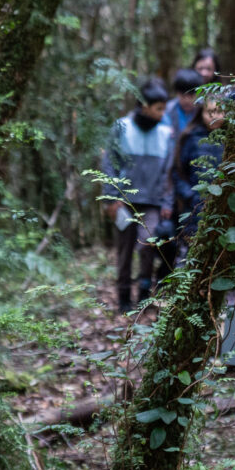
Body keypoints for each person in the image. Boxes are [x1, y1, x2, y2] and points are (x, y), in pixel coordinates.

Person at [102, 79, 176, 311]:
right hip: (123, 202)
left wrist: (167, 201)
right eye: (159, 108)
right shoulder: (121, 126)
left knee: (148, 244)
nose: (163, 113)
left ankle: (145, 291)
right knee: (124, 251)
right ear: (145, 106)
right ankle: (124, 297)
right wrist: (111, 197)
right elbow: (109, 164)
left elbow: (169, 172)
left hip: (152, 203)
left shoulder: (166, 133)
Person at [171, 87, 230, 243]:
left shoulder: (232, 140)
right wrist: (191, 197)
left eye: (219, 111)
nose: (214, 116)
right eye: (209, 112)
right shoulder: (190, 137)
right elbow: (177, 172)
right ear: (201, 113)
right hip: (195, 210)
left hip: (225, 209)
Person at [162, 68, 203, 138]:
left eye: (191, 95)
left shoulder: (204, 110)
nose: (187, 100)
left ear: (198, 93)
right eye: (183, 95)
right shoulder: (167, 110)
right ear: (177, 93)